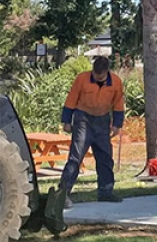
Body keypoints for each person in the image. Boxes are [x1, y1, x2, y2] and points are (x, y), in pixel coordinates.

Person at [60, 56, 125, 207]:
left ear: (106, 71)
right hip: (83, 119)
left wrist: (117, 124)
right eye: (95, 74)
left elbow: (118, 104)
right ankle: (63, 194)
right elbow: (71, 99)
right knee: (76, 157)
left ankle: (106, 192)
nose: (97, 77)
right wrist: (67, 121)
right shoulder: (82, 79)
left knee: (105, 157)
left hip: (102, 121)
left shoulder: (115, 82)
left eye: (100, 75)